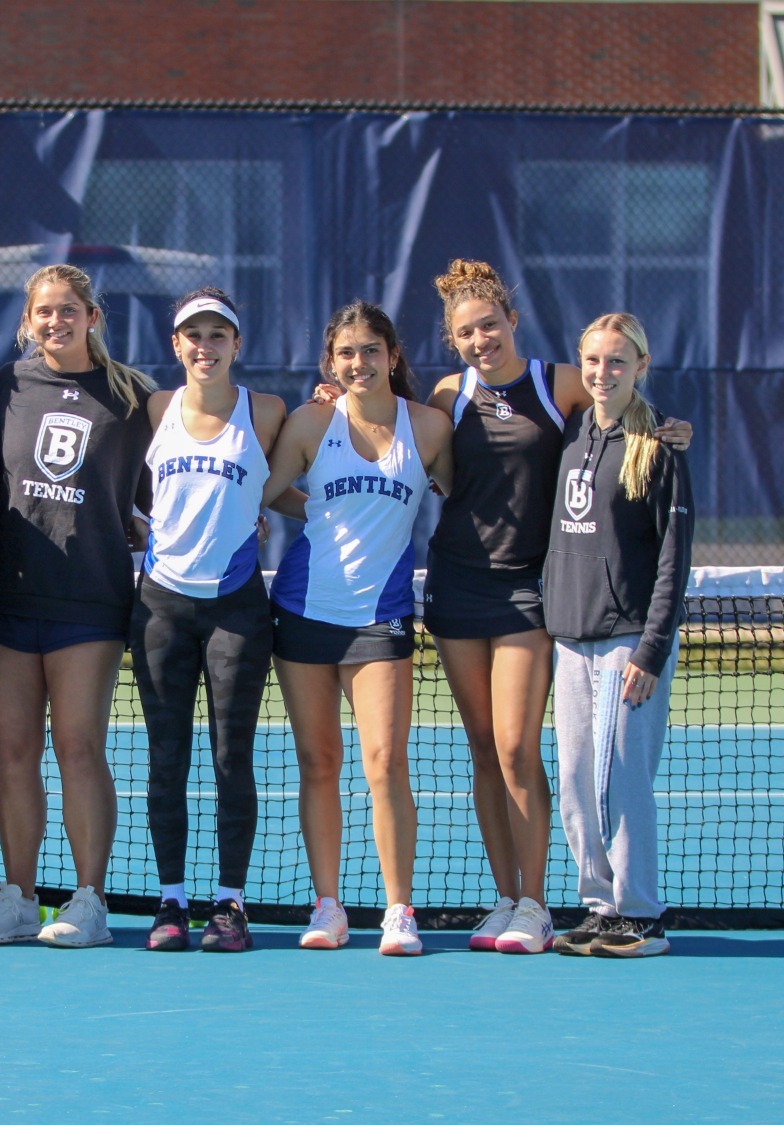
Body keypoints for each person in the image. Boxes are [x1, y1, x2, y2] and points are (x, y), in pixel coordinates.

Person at [423, 259, 691, 955]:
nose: (481, 339)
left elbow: (623, 407)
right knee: (484, 749)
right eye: (466, 332)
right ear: (454, 341)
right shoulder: (449, 393)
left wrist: (667, 432)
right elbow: (394, 432)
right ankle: (507, 896)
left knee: (518, 747)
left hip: (527, 594)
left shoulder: (558, 382)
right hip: (455, 585)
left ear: (511, 320)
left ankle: (540, 904)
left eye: (489, 325)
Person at [0, 263, 155, 949]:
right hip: (9, 601)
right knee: (13, 749)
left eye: (68, 310)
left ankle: (88, 899)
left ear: (92, 317)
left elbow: (167, 483)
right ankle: (17, 898)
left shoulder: (132, 396)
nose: (55, 322)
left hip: (89, 600)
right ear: (27, 321)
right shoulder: (6, 387)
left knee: (79, 747)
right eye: (43, 312)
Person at [264, 301, 452, 954]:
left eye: (371, 349)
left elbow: (467, 491)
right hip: (302, 613)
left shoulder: (428, 427)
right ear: (331, 362)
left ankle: (399, 910)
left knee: (384, 761)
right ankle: (328, 905)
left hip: (383, 618)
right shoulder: (313, 421)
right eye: (346, 352)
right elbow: (264, 488)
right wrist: (310, 503)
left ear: (393, 356)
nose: (359, 362)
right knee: (319, 762)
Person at [130, 288, 285, 953]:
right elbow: (129, 488)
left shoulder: (271, 412)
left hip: (238, 608)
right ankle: (171, 902)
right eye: (193, 335)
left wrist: (266, 504)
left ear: (237, 344)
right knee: (166, 757)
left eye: (218, 335)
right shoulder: (155, 409)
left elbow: (319, 448)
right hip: (160, 606)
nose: (205, 346)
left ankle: (230, 903)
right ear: (176, 345)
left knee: (231, 756)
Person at [543, 313, 692, 958]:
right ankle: (601, 907)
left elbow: (673, 560)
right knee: (576, 778)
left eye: (618, 362)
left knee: (619, 779)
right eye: (594, 362)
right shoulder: (572, 435)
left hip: (630, 640)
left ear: (640, 368)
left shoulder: (659, 449)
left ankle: (641, 915)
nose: (604, 373)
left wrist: (652, 649)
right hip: (570, 638)